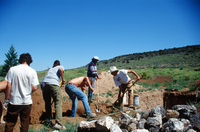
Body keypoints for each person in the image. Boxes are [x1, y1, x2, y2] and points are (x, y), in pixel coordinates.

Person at [4, 53, 39, 132]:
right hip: (26, 102)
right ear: (29, 61)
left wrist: (7, 98)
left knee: (10, 123)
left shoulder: (12, 69)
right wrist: (28, 92)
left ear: (21, 60)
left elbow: (8, 85)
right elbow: (34, 87)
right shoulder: (32, 71)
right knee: (24, 124)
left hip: (14, 101)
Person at [41, 60, 66, 130]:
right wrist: (63, 79)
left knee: (47, 103)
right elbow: (60, 69)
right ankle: (59, 123)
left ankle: (48, 119)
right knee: (58, 103)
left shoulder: (51, 69)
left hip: (44, 84)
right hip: (54, 84)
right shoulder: (60, 66)